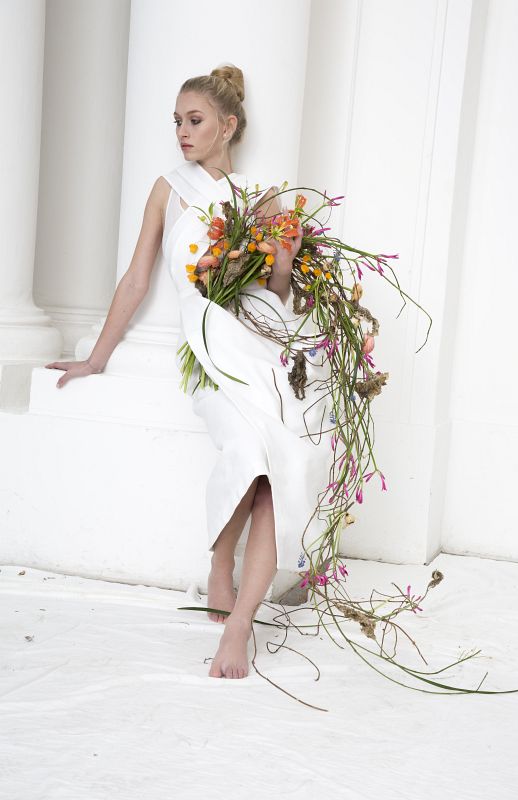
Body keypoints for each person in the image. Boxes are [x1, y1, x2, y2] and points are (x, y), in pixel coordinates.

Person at [45, 64, 330, 680]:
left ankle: (239, 623)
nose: (181, 131)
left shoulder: (262, 197)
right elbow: (137, 278)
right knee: (251, 453)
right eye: (177, 120)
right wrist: (96, 357)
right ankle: (221, 564)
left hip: (262, 349)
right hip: (208, 351)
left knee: (278, 467)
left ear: (227, 125)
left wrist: (283, 260)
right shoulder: (168, 189)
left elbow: (277, 296)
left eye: (194, 120)